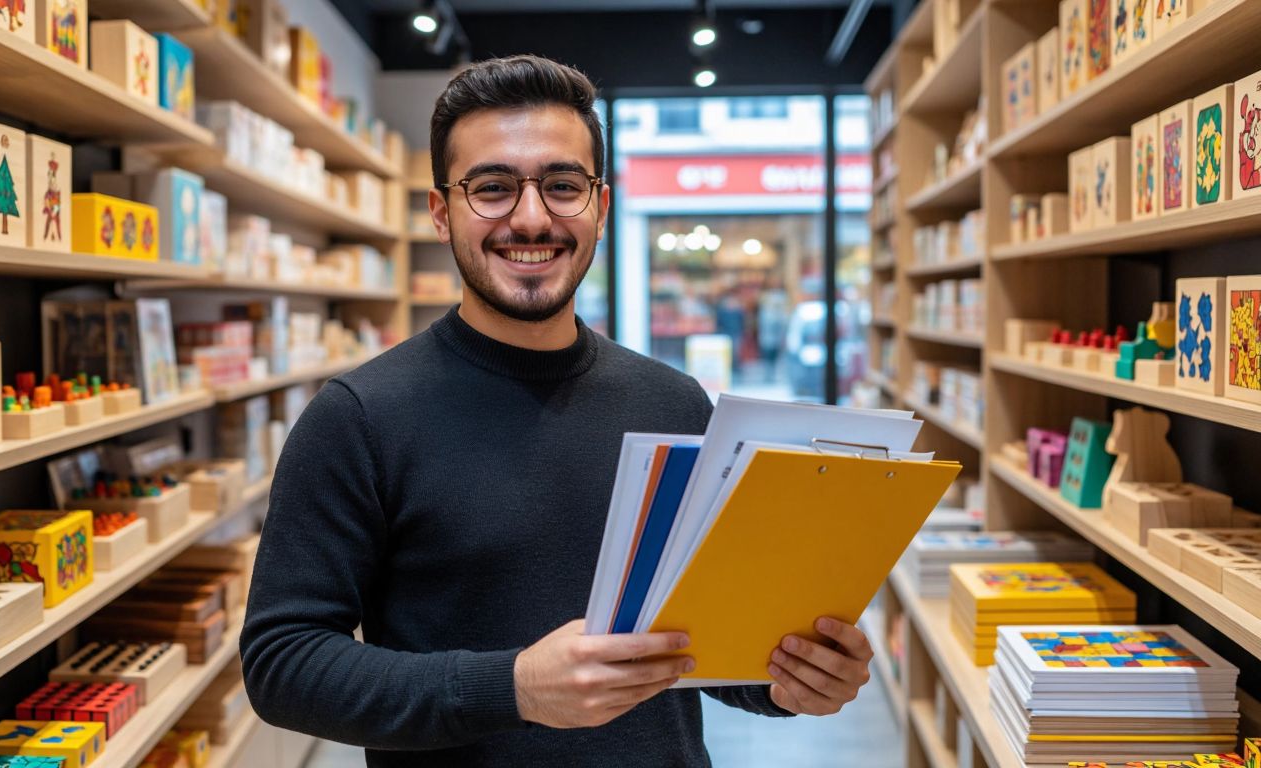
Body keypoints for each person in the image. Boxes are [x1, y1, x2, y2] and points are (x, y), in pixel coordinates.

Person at [241, 55, 874, 767]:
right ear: (443, 210)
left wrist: (788, 680)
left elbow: (699, 641)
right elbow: (282, 663)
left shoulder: (674, 402)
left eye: (563, 185)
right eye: (493, 188)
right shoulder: (358, 418)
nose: (533, 217)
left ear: (600, 206)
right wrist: (511, 688)